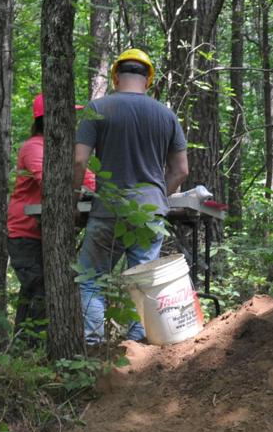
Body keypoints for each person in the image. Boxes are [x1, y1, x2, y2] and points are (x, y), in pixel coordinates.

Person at [74, 48, 188, 346]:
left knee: (91, 279)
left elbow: (79, 160)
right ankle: (138, 348)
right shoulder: (166, 115)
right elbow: (181, 170)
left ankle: (93, 347)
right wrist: (158, 196)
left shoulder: (97, 108)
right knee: (143, 283)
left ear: (115, 76)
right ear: (148, 79)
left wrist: (73, 197)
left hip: (108, 209)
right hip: (149, 213)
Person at [7, 94, 96, 335]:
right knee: (40, 291)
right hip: (26, 233)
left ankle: (23, 347)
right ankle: (33, 346)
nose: (72, 120)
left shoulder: (64, 150)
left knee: (36, 292)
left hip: (47, 233)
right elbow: (49, 183)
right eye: (66, 115)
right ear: (49, 119)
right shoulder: (34, 147)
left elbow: (89, 180)